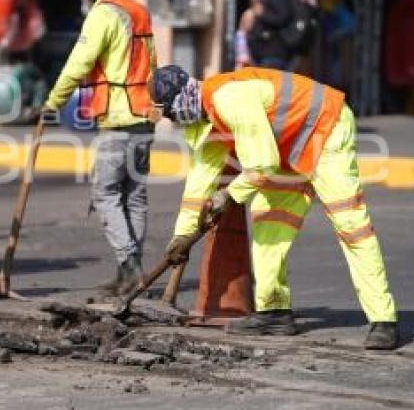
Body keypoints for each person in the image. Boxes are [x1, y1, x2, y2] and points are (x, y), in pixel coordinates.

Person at [149, 65, 399, 350]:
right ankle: (274, 312)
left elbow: (262, 165)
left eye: (168, 113)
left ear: (179, 103)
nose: (170, 120)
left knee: (352, 227)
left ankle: (384, 320)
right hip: (286, 150)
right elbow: (198, 185)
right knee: (269, 228)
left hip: (325, 128)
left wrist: (230, 194)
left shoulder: (229, 99)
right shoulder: (205, 123)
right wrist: (181, 237)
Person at [44, 0, 157, 296]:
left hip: (119, 118)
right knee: (134, 195)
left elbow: (79, 64)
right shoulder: (138, 11)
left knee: (105, 193)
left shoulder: (103, 14)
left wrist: (52, 102)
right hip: (144, 114)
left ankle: (131, 268)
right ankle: (129, 273)